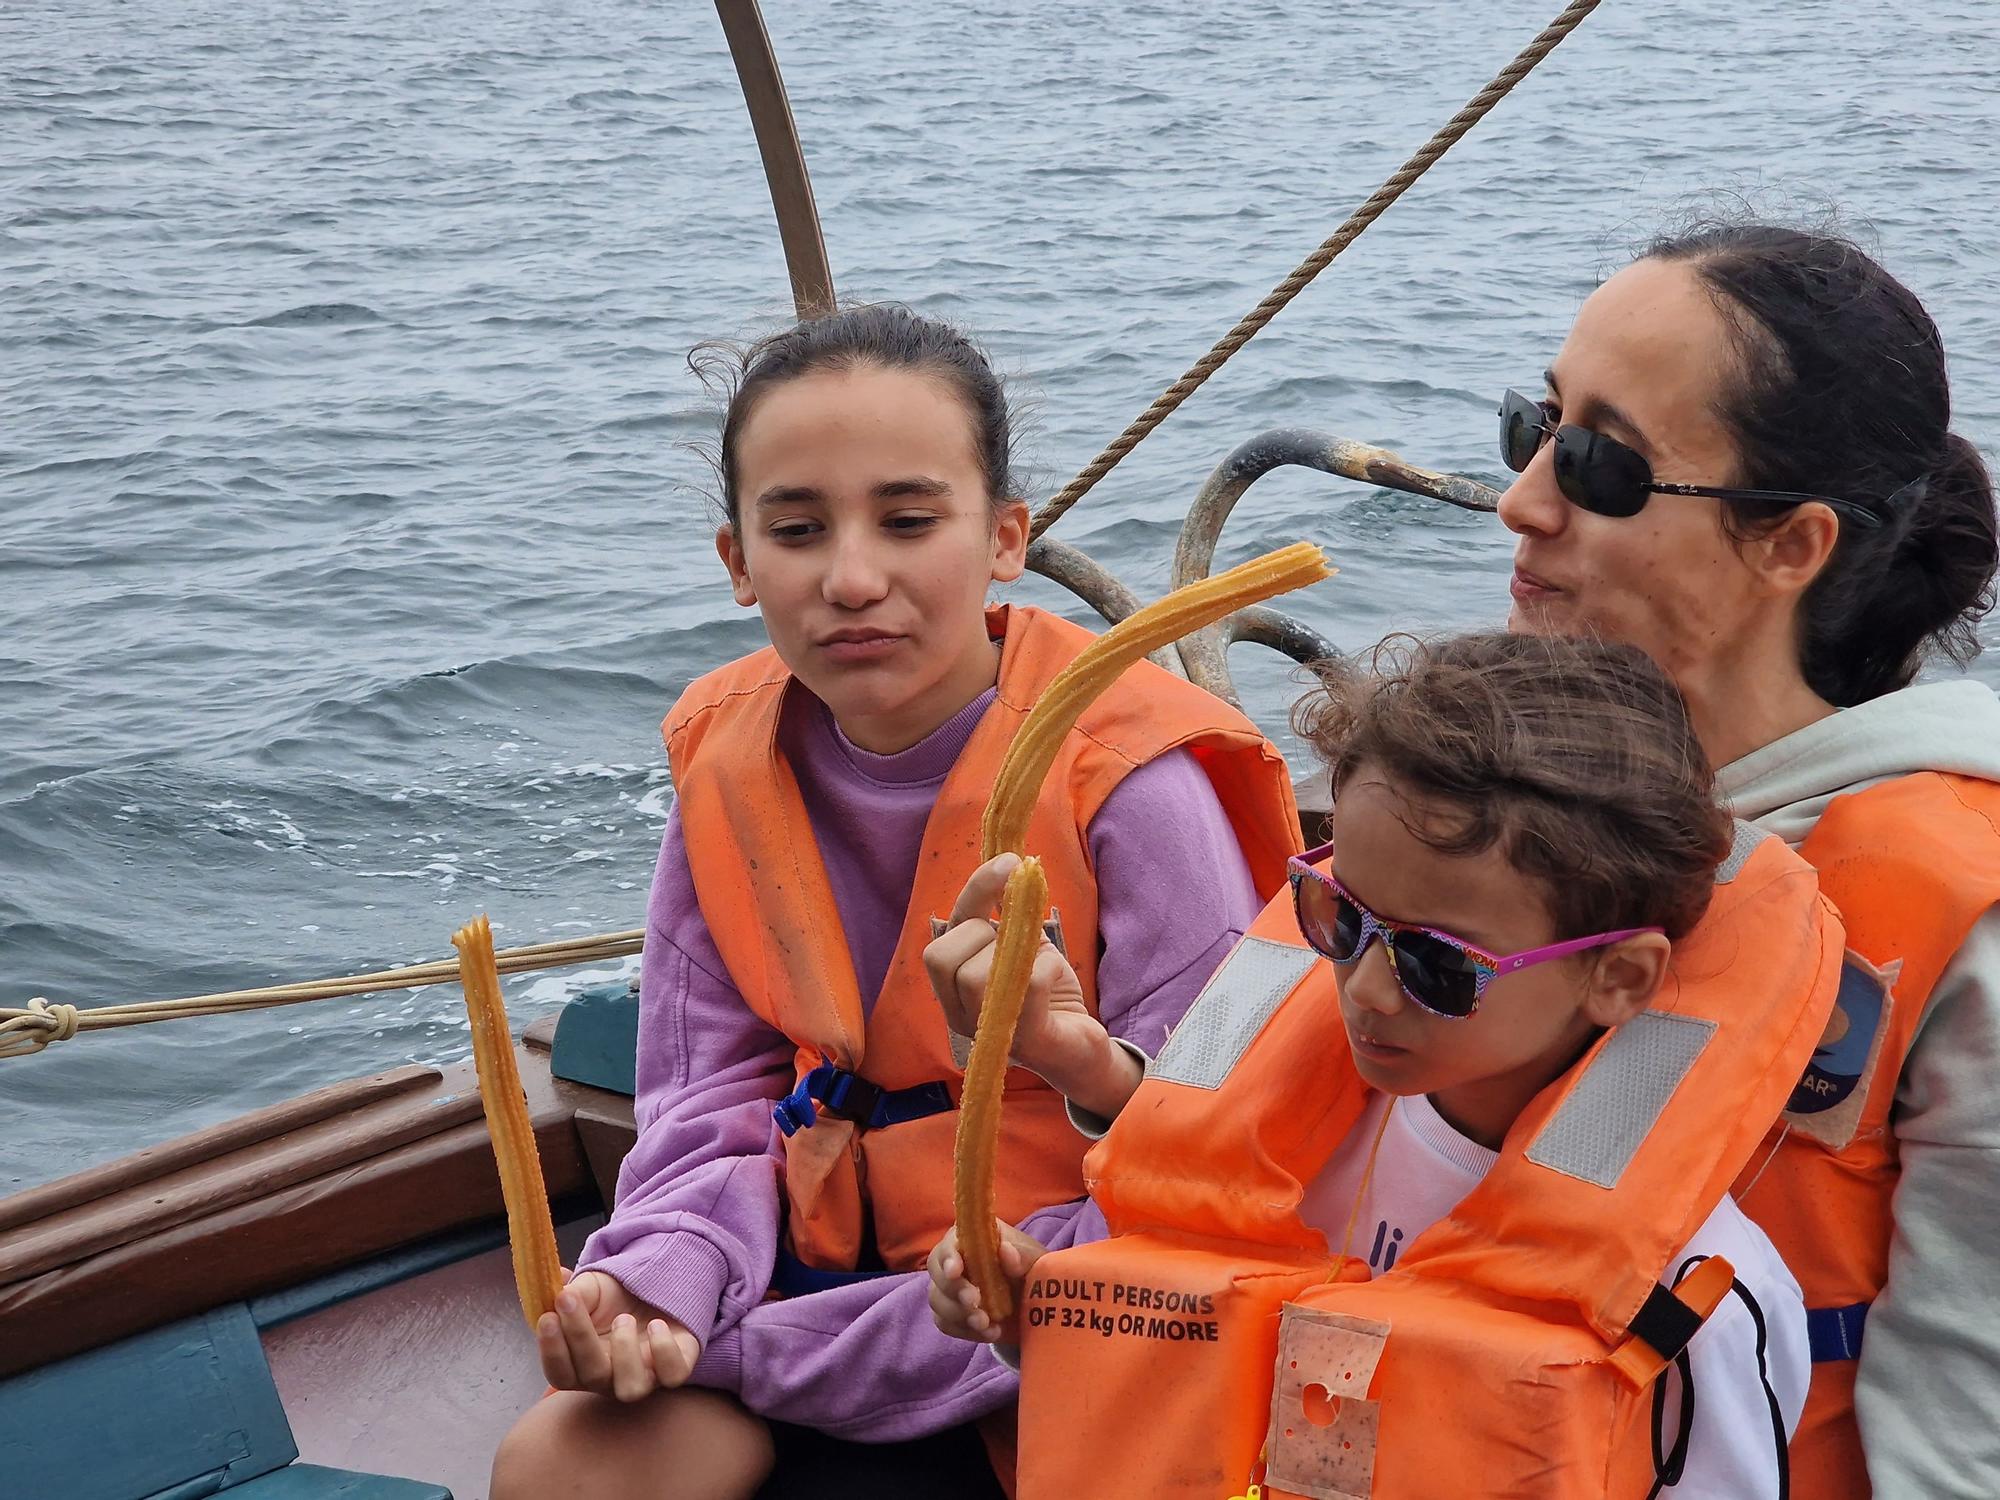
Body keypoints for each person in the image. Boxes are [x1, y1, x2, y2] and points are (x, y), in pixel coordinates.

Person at [488, 303, 1305, 1500]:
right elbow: (707, 1095)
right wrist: (654, 1282)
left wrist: (755, 1356)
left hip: (1060, 1308)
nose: (853, 576)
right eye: (798, 528)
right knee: (557, 1470)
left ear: (1005, 538)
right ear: (737, 562)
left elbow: (1215, 1159)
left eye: (909, 520)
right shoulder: (729, 763)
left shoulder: (1131, 776)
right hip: (808, 1291)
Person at [931, 631, 1832, 1498]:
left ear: (1618, 975)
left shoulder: (1699, 1299)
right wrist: (1039, 1323)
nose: (1363, 990)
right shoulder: (1298, 1143)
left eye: (1440, 965)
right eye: (1341, 918)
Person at [1496, 221, 2000, 1498]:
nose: (1521, 500)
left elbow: (1963, 1417)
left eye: (1601, 465)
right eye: (1535, 427)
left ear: (1789, 545)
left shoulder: (1961, 913)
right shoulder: (1505, 817)